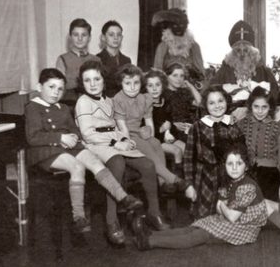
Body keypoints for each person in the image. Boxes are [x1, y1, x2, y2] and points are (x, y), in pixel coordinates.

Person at [25, 68, 143, 234]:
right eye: (51, 87)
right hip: (45, 151)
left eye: (60, 89)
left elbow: (75, 131)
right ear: (39, 87)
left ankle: (123, 197)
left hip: (69, 146)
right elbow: (33, 137)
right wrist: (60, 138)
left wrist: (75, 138)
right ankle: (79, 217)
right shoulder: (33, 107)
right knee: (77, 167)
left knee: (94, 160)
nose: (55, 92)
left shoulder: (64, 108)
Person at [74, 61, 170, 247]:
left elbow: (116, 127)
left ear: (103, 80)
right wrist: (115, 142)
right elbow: (87, 133)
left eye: (97, 79)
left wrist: (124, 140)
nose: (93, 84)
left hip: (114, 142)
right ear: (82, 83)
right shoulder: (83, 102)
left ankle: (154, 212)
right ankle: (111, 222)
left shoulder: (109, 101)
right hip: (96, 145)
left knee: (148, 164)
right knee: (117, 162)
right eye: (87, 80)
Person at [133, 145, 268, 250]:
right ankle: (150, 234)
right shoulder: (228, 181)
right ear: (224, 165)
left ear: (246, 167)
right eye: (229, 164)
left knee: (198, 236)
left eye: (239, 164)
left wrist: (222, 205)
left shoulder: (248, 186)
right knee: (193, 227)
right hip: (228, 218)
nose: (234, 168)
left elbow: (231, 216)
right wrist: (222, 206)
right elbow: (220, 210)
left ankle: (148, 242)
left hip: (244, 228)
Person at [112, 64, 186, 192]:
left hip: (140, 133)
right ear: (121, 84)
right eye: (128, 83)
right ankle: (173, 179)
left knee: (155, 142)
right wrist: (128, 141)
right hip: (125, 135)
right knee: (148, 146)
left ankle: (163, 183)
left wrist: (150, 134)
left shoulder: (144, 99)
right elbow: (122, 127)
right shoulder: (118, 99)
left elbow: (148, 121)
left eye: (136, 83)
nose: (132, 87)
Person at [183, 85, 246, 219]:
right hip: (205, 180)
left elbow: (243, 156)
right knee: (203, 221)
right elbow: (188, 159)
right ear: (205, 105)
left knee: (228, 221)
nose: (217, 106)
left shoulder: (233, 126)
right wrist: (188, 184)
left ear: (227, 102)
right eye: (211, 103)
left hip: (230, 180)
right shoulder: (197, 127)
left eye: (220, 101)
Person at [209, 20, 279, 107]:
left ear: (252, 53)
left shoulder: (265, 72)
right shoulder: (224, 72)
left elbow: (274, 95)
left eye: (245, 50)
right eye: (238, 50)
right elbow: (211, 92)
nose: (242, 54)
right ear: (232, 54)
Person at [237, 86, 280, 201]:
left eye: (264, 107)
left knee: (267, 203)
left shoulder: (279, 129)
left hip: (269, 174)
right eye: (256, 107)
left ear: (270, 108)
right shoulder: (241, 125)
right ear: (250, 106)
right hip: (246, 171)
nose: (260, 111)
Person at [151, 8, 205, 88]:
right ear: (169, 26)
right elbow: (157, 74)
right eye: (176, 24)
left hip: (189, 90)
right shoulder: (162, 47)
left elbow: (201, 76)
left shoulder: (194, 46)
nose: (179, 27)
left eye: (182, 24)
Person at [144, 70, 186, 171]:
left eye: (157, 85)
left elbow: (170, 120)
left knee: (186, 148)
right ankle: (174, 181)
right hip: (154, 140)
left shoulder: (165, 102)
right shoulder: (144, 105)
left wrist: (170, 126)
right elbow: (145, 130)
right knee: (177, 151)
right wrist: (161, 129)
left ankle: (185, 177)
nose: (154, 88)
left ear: (162, 86)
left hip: (167, 137)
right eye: (150, 85)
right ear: (145, 88)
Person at [55, 18, 101, 104]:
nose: (80, 38)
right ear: (70, 37)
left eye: (84, 35)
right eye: (76, 35)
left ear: (89, 37)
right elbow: (59, 88)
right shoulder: (63, 59)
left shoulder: (96, 60)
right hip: (70, 105)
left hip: (93, 105)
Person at [163, 61, 202, 142]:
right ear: (167, 76)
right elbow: (158, 118)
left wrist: (190, 86)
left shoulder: (184, 92)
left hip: (188, 128)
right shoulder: (162, 93)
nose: (179, 79)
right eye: (175, 75)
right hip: (171, 131)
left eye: (182, 76)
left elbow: (200, 103)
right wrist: (173, 125)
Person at [96, 20, 132, 98]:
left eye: (118, 35)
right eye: (111, 35)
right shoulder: (97, 59)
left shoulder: (127, 60)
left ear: (122, 38)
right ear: (103, 37)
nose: (116, 38)